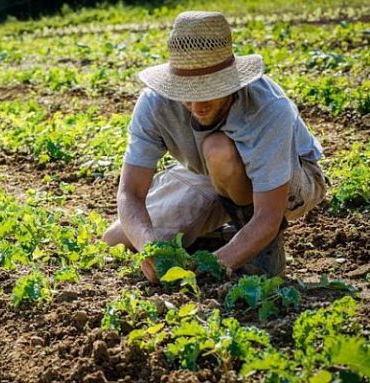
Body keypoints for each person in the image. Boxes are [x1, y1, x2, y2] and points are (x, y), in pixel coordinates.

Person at [102, 11, 327, 283]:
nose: (197, 105)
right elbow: (129, 193)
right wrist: (149, 247)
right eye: (186, 92)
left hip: (289, 181)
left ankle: (259, 247)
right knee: (117, 238)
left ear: (231, 81)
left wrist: (211, 266)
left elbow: (268, 215)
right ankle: (223, 236)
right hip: (210, 174)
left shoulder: (267, 107)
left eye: (208, 90)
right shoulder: (155, 103)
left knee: (217, 148)